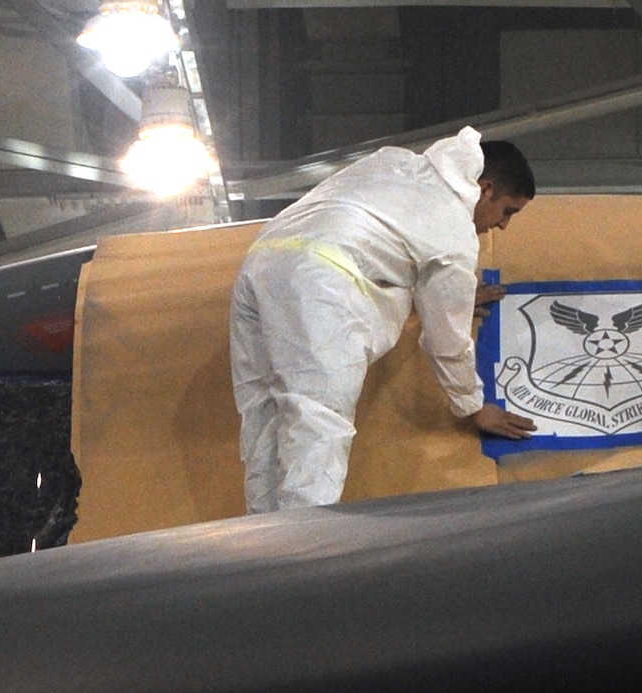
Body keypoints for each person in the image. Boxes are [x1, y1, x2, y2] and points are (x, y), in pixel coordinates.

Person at [229, 128, 538, 514]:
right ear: (486, 188)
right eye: (508, 211)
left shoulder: (393, 162)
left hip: (261, 262)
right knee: (319, 423)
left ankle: (261, 548)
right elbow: (447, 341)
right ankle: (302, 554)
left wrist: (435, 296)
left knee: (266, 418)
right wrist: (473, 405)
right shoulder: (455, 230)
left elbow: (372, 243)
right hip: (320, 280)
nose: (503, 225)